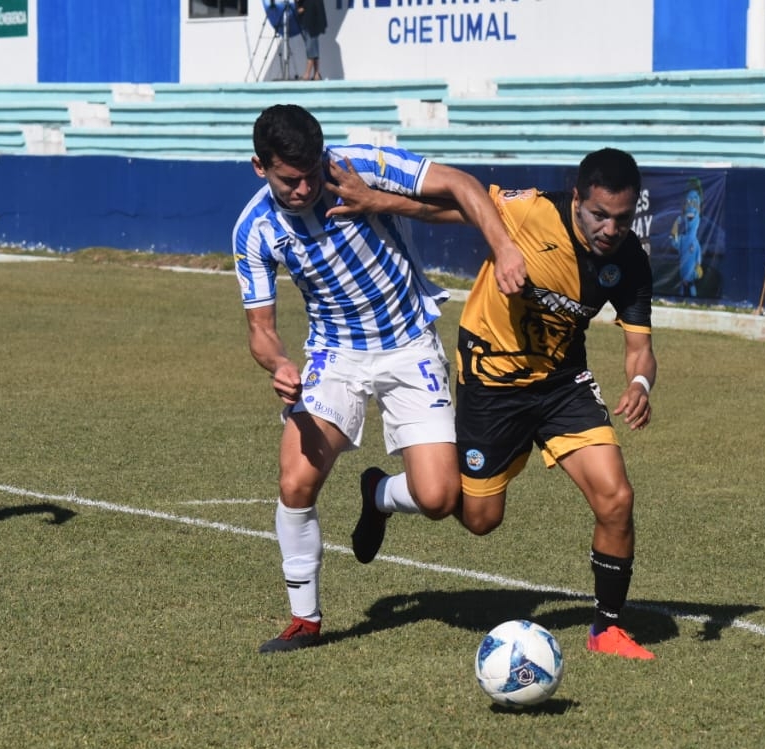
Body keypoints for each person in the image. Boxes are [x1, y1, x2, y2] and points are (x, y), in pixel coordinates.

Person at [332, 148, 659, 660]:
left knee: (616, 497)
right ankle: (380, 493)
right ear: (577, 199)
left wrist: (640, 383)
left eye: (621, 218)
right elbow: (459, 208)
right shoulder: (531, 212)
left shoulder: (630, 260)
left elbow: (640, 348)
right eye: (600, 215)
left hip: (561, 384)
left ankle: (607, 628)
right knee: (480, 519)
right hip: (492, 382)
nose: (610, 229)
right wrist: (376, 199)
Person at [234, 104, 525, 653]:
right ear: (259, 168)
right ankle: (305, 619)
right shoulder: (254, 230)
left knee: (439, 498)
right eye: (288, 179)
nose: (304, 189)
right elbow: (260, 329)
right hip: (334, 355)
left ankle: (378, 493)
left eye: (312, 174)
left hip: (410, 342)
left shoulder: (361, 164)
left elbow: (462, 185)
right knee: (296, 480)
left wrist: (503, 247)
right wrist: (278, 363)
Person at [296, 0, 327, 81]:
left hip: (312, 13)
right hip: (309, 13)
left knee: (311, 43)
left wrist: (303, 7)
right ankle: (316, 73)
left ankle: (307, 73)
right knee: (313, 43)